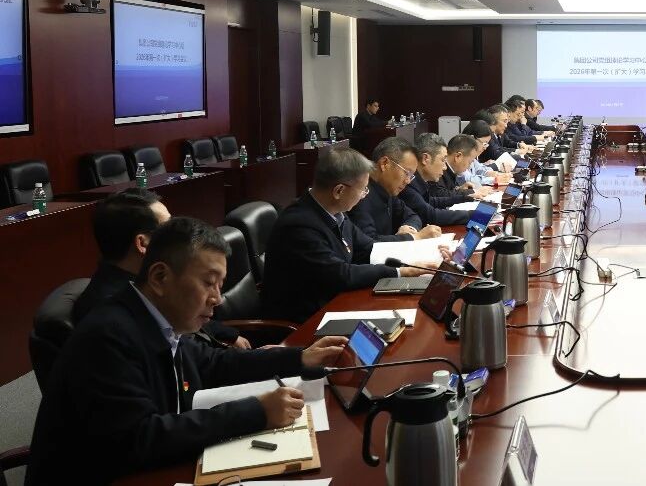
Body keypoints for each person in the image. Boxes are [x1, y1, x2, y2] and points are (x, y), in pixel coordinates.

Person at [27, 217, 349, 485]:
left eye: (220, 285)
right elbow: (141, 438)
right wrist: (256, 411)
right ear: (160, 277)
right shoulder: (108, 336)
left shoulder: (158, 320)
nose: (218, 298)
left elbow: (214, 364)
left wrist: (299, 357)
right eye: (209, 282)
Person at [263, 147, 435, 322]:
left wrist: (416, 260)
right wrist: (400, 271)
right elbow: (341, 275)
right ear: (339, 191)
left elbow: (368, 247)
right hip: (306, 322)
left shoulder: (336, 213)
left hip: (335, 303)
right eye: (363, 190)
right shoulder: (299, 226)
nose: (364, 196)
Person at [74, 188, 250, 349]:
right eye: (168, 229)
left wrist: (228, 335)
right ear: (143, 243)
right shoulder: (113, 315)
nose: (181, 235)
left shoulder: (142, 283)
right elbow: (190, 357)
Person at [349, 137, 443, 243]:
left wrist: (409, 228)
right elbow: (368, 243)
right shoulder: (360, 194)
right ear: (384, 163)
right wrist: (415, 237)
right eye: (407, 173)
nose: (408, 181)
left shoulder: (387, 190)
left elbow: (413, 216)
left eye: (411, 176)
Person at [401, 134, 474, 227]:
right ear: (425, 159)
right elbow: (431, 216)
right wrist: (473, 214)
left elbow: (431, 202)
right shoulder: (408, 182)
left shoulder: (420, 180)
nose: (445, 167)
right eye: (443, 160)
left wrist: (466, 197)